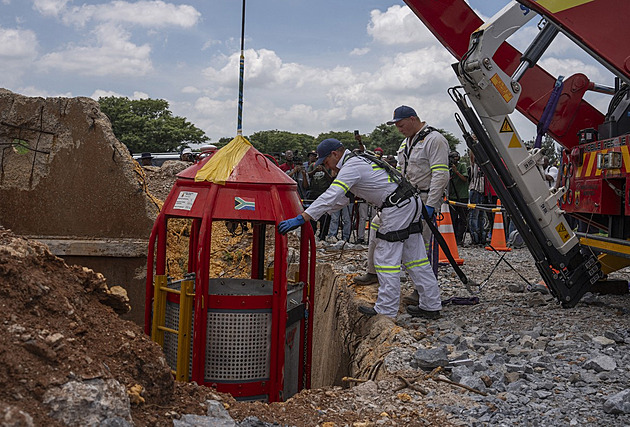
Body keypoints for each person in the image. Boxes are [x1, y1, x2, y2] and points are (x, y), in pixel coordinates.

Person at [278, 138, 442, 319]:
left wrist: (303, 217)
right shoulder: (360, 159)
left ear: (335, 154)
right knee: (416, 258)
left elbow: (332, 195)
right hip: (409, 203)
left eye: (326, 162)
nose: (328, 168)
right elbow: (341, 200)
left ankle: (386, 310)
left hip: (396, 208)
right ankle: (431, 305)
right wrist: (312, 213)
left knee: (386, 259)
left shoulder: (351, 166)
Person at [354, 106, 449, 301]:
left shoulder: (434, 140)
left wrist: (431, 204)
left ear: (413, 119)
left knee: (421, 245)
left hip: (424, 198)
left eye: (401, 124)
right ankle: (373, 272)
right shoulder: (406, 142)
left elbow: (441, 174)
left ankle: (422, 291)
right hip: (403, 198)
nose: (399, 129)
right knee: (376, 224)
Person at [448, 151, 468, 245]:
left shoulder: (462, 166)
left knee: (463, 218)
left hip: (462, 195)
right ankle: (453, 238)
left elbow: (464, 179)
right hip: (452, 196)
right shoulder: (448, 168)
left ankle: (459, 238)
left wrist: (456, 171)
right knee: (453, 218)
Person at [468, 151, 486, 246]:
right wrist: (472, 146)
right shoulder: (474, 165)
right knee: (474, 214)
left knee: (481, 215)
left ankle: (481, 237)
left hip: (483, 191)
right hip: (475, 190)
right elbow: (472, 157)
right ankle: (474, 237)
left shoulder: (485, 165)